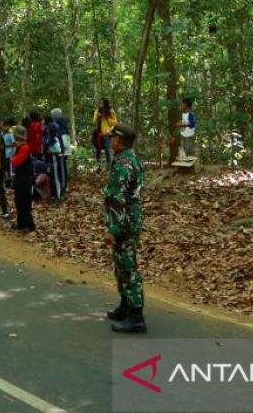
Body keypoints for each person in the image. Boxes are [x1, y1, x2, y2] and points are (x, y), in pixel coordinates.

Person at [105, 123, 147, 333]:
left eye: (113, 137)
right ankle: (125, 305)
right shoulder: (128, 158)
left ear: (120, 140)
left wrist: (113, 228)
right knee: (120, 265)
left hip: (125, 221)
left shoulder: (124, 164)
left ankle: (136, 315)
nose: (110, 140)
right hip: (127, 219)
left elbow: (118, 199)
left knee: (128, 267)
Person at [9, 126, 35, 232]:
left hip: (26, 179)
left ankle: (29, 225)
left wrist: (12, 158)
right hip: (20, 178)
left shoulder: (25, 148)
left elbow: (15, 162)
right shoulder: (19, 147)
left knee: (25, 202)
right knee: (18, 201)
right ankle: (21, 223)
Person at [48, 107, 70, 199]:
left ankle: (63, 187)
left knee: (61, 168)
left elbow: (62, 136)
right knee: (62, 167)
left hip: (60, 149)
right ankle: (63, 186)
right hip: (63, 149)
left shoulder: (58, 124)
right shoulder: (62, 123)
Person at [93, 98, 117, 167]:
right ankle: (98, 165)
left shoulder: (110, 110)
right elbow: (94, 121)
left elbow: (115, 122)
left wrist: (106, 117)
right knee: (97, 149)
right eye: (100, 103)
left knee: (107, 148)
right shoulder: (97, 110)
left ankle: (109, 164)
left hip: (107, 133)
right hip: (98, 133)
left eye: (102, 103)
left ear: (105, 103)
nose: (101, 104)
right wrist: (97, 115)